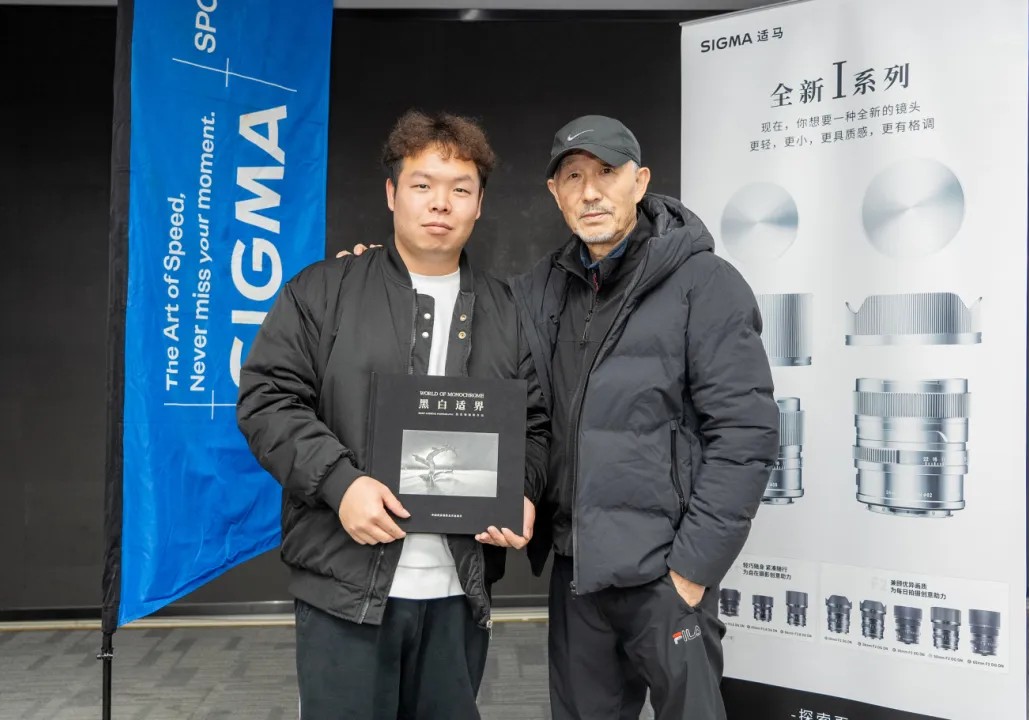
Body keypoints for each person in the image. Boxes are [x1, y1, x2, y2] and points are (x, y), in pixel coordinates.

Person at [236, 110, 550, 720]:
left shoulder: (509, 313)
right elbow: (267, 399)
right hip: (344, 589)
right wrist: (341, 483)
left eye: (460, 189)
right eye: (422, 184)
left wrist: (524, 490)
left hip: (460, 591)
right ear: (391, 193)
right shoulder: (322, 291)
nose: (441, 203)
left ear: (479, 204)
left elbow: (533, 427)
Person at [509, 115, 779, 720]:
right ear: (554, 192)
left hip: (666, 575)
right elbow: (513, 399)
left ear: (641, 181)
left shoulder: (706, 283)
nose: (590, 191)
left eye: (607, 172)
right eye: (573, 177)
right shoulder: (539, 291)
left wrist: (692, 570)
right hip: (578, 572)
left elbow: (746, 435)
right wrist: (371, 277)